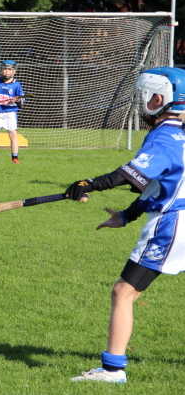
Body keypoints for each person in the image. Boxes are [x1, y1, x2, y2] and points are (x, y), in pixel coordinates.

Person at [66, 67, 185, 384]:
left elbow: (132, 176)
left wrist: (89, 183)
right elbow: (159, 183)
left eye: (142, 97)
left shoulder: (164, 135)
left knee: (124, 291)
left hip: (173, 225)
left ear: (157, 99)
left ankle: (112, 370)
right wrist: (128, 215)